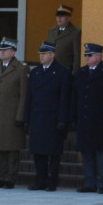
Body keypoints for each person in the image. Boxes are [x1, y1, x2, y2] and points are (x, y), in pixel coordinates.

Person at [24, 41, 71, 191]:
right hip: (37, 118)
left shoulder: (62, 72)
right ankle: (40, 180)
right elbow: (29, 97)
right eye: (40, 54)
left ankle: (52, 181)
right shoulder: (36, 72)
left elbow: (65, 99)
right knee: (38, 153)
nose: (41, 57)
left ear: (52, 55)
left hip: (53, 119)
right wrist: (26, 118)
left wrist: (63, 119)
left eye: (44, 54)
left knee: (53, 153)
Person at [71, 43, 103, 193]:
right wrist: (74, 117)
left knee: (102, 153)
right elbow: (75, 97)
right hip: (84, 118)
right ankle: (89, 182)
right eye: (86, 55)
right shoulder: (81, 73)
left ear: (98, 56)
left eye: (89, 55)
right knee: (86, 151)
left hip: (100, 119)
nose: (87, 58)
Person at [0, 37, 29, 190]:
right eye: (1, 50)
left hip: (12, 114)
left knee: (12, 148)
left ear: (12, 52)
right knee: (0, 147)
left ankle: (10, 177)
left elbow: (23, 95)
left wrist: (20, 116)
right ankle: (2, 176)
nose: (1, 52)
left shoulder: (21, 68)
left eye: (4, 50)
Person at [46, 4, 82, 75]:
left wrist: (74, 72)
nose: (59, 18)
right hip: (51, 69)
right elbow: (47, 49)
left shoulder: (75, 32)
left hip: (65, 70)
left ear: (68, 18)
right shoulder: (52, 31)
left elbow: (77, 55)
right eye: (57, 15)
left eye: (62, 16)